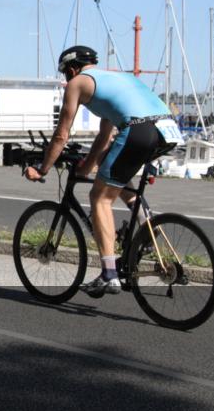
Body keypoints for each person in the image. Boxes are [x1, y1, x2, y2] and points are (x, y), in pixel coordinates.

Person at [25, 45, 183, 297]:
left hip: (138, 129)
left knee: (99, 197)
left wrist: (43, 168)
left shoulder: (77, 83)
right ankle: (146, 238)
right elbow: (105, 136)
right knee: (121, 184)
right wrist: (87, 166)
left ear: (72, 69)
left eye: (67, 73)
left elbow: (61, 135)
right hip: (167, 129)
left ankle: (109, 274)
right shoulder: (114, 79)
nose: (68, 78)